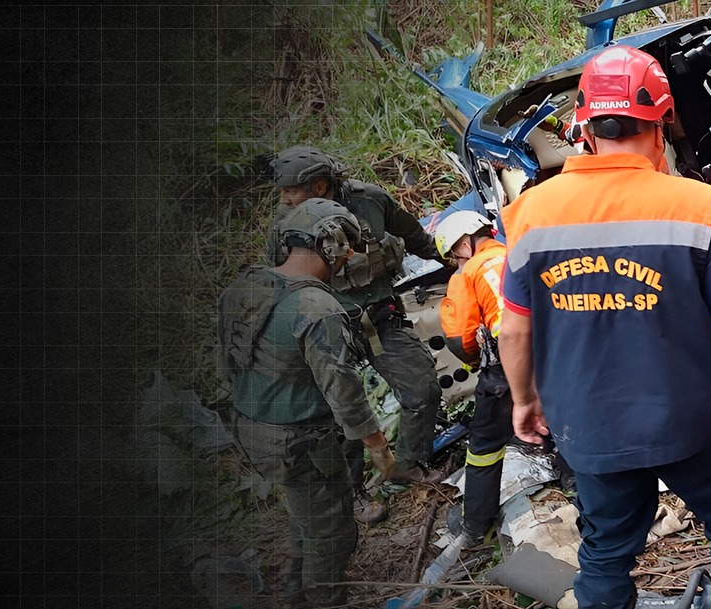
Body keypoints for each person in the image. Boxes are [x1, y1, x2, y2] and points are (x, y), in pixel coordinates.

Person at [496, 46, 711, 609]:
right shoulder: (696, 207)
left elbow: (514, 330)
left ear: (584, 127)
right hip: (692, 420)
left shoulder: (530, 213)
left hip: (588, 424)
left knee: (605, 549)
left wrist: (524, 399)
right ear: (662, 124)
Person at [217, 198, 399, 606]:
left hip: (249, 426)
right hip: (298, 441)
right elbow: (343, 390)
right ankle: (323, 599)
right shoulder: (318, 307)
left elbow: (229, 357)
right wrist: (379, 449)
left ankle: (295, 590)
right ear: (332, 245)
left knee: (307, 515)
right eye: (346, 248)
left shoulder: (246, 285)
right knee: (333, 534)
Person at [267, 146, 448, 485]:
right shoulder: (284, 223)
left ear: (319, 186)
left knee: (422, 389)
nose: (284, 198)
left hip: (379, 317)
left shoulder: (371, 201)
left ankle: (408, 466)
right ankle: (354, 494)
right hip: (326, 329)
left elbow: (416, 237)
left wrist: (459, 263)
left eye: (290, 190)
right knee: (333, 415)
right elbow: (279, 280)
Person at [432, 210, 512, 547]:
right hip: (557, 353)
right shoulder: (518, 252)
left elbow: (462, 337)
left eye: (453, 255)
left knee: (484, 447)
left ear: (465, 244)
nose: (455, 262)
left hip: (507, 366)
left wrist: (478, 360)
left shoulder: (467, 276)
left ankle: (477, 525)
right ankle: (575, 487)